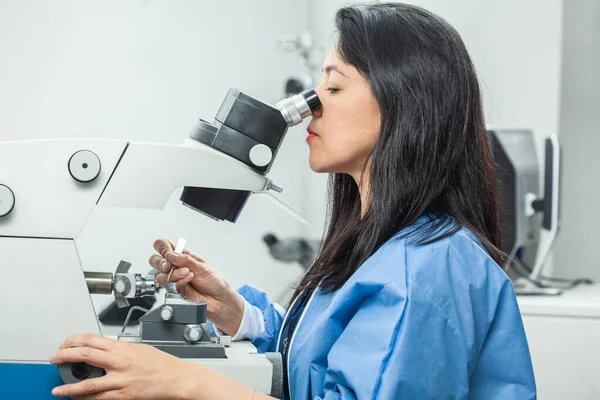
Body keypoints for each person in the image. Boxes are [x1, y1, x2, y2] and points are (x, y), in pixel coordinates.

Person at [50, 3, 537, 399]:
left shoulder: (423, 271)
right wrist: (238, 313)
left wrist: (185, 383)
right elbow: (329, 360)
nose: (312, 107)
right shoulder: (384, 244)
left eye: (334, 84)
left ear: (402, 103)